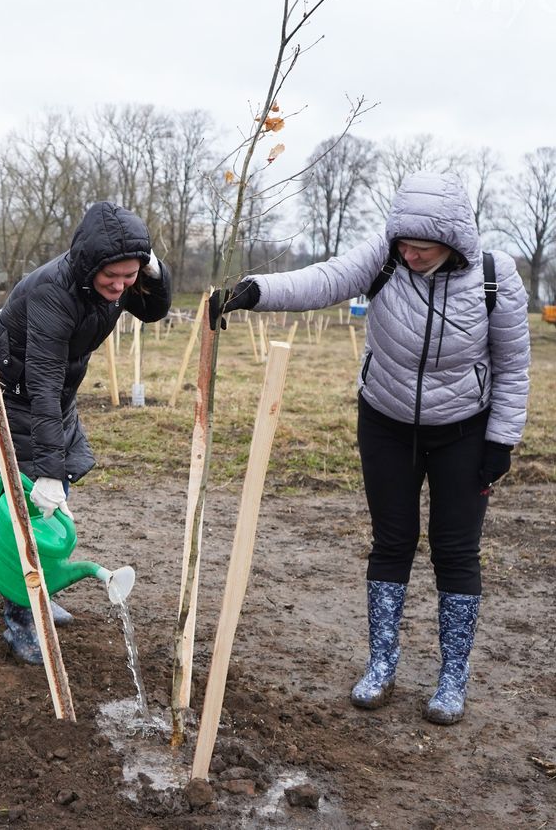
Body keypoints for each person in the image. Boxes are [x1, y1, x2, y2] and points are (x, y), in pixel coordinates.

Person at [212, 171, 530, 725]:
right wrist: (255, 292)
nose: (409, 253)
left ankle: (452, 677)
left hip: (464, 431)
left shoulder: (494, 278)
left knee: (456, 551)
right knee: (392, 541)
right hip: (385, 422)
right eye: (404, 242)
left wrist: (501, 439)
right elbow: (324, 280)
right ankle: (381, 663)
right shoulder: (384, 257)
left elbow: (513, 365)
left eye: (422, 246)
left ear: (453, 239)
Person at [0, 201, 173, 664]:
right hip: (6, 391)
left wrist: (153, 270)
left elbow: (153, 311)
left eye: (129, 276)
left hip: (49, 395)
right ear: (89, 265)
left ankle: (43, 585)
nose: (119, 288)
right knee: (26, 503)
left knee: (56, 496)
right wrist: (46, 472)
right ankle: (21, 617)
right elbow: (43, 382)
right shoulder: (54, 291)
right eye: (111, 277)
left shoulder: (116, 278)